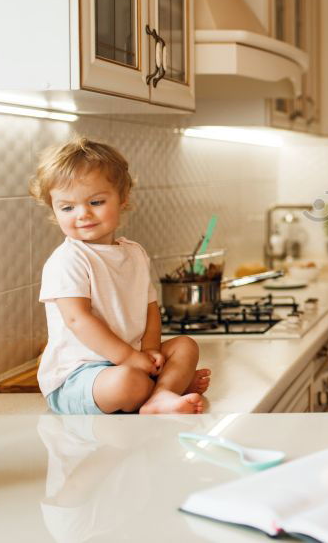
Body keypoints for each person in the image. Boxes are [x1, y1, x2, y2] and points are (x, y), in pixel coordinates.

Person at [30, 137, 210, 414]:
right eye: (67, 207)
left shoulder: (134, 253)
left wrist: (150, 351)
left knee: (185, 346)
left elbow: (149, 307)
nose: (83, 214)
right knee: (128, 381)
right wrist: (129, 358)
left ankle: (160, 395)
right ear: (53, 209)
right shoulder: (68, 260)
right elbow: (79, 319)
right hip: (79, 375)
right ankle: (168, 386)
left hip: (127, 361)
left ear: (123, 198)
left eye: (96, 201)